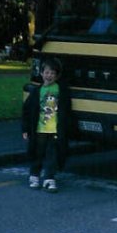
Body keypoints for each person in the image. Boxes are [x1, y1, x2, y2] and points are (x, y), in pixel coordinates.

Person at [22, 58, 71, 193]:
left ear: (56, 76)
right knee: (37, 153)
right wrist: (25, 129)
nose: (49, 76)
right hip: (39, 129)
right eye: (46, 72)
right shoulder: (36, 92)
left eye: (52, 73)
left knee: (52, 155)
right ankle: (34, 175)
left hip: (54, 129)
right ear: (42, 73)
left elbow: (67, 110)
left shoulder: (61, 91)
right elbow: (26, 111)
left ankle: (49, 178)